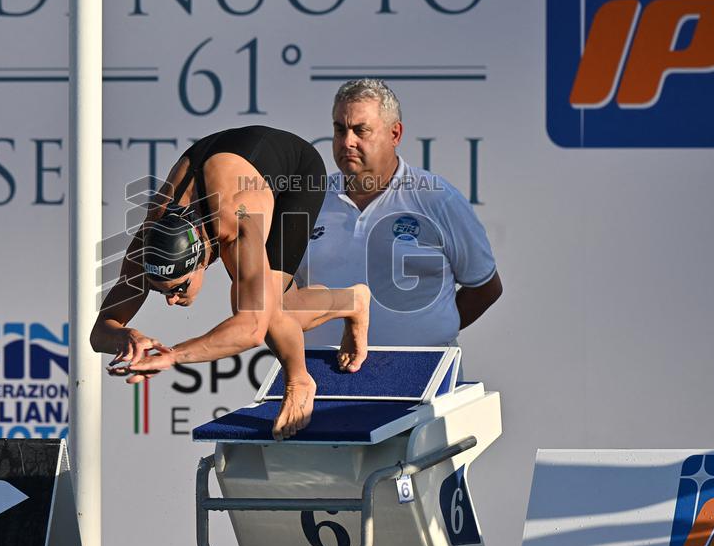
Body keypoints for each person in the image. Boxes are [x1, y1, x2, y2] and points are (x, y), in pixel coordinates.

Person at [90, 125, 370, 440]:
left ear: (200, 261)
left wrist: (173, 355)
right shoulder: (149, 241)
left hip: (295, 172)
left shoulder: (235, 225)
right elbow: (99, 332)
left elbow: (252, 329)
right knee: (279, 305)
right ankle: (353, 301)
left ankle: (299, 381)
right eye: (160, 289)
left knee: (272, 310)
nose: (171, 300)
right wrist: (126, 336)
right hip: (226, 160)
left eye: (179, 287)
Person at [294, 79, 502, 372]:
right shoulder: (310, 201)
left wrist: (426, 336)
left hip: (422, 378)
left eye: (361, 130)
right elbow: (286, 293)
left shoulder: (436, 199)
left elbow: (485, 287)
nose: (347, 141)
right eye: (340, 130)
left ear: (395, 134)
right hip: (324, 375)